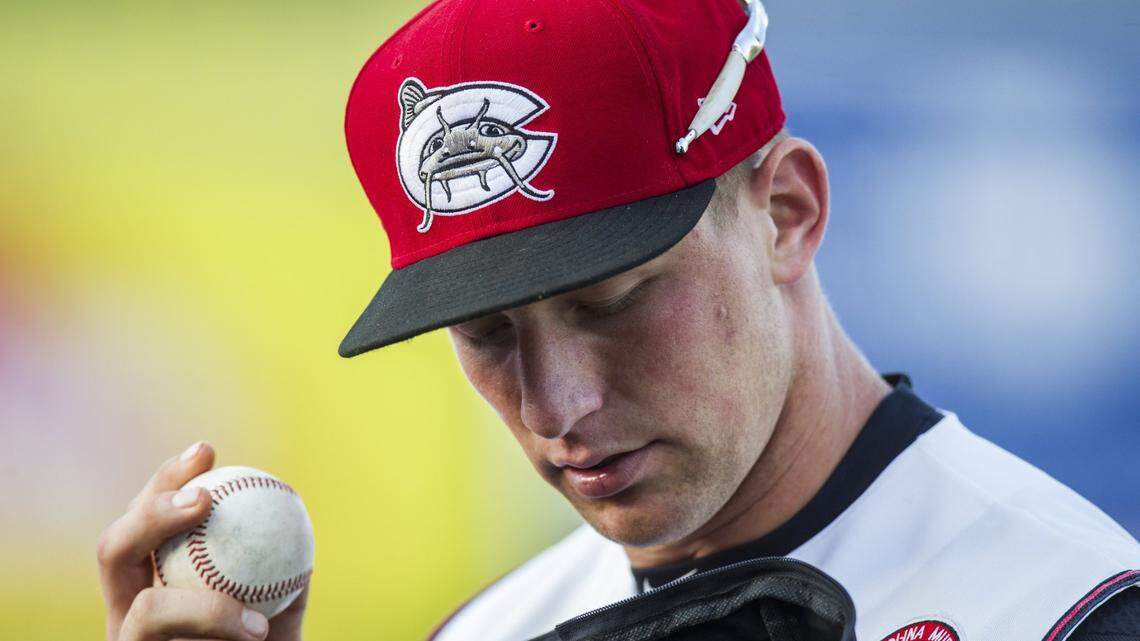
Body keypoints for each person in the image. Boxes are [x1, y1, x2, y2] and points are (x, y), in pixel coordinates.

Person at [96, 1, 1140, 640]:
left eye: (613, 302)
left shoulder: (1063, 609)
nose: (559, 405)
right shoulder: (490, 633)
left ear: (787, 214)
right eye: (489, 332)